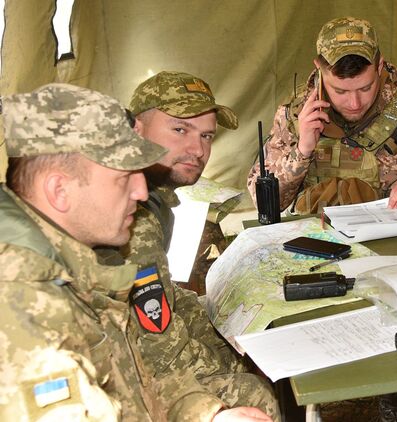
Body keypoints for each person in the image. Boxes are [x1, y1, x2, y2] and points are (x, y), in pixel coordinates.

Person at [0, 83, 169, 419]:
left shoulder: (72, 263)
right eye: (125, 176)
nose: (141, 191)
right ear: (60, 191)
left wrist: (206, 412)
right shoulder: (23, 304)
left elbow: (132, 389)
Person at [118, 71, 280, 421]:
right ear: (137, 129)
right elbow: (160, 349)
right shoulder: (134, 216)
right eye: (180, 130)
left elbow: (165, 295)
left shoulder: (155, 196)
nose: (198, 150)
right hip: (121, 374)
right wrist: (235, 364)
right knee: (254, 394)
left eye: (206, 135)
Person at [248, 16, 397, 214]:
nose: (355, 103)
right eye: (340, 91)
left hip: (386, 238)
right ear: (319, 69)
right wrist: (302, 151)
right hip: (316, 239)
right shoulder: (296, 115)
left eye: (366, 88)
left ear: (380, 66)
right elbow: (264, 203)